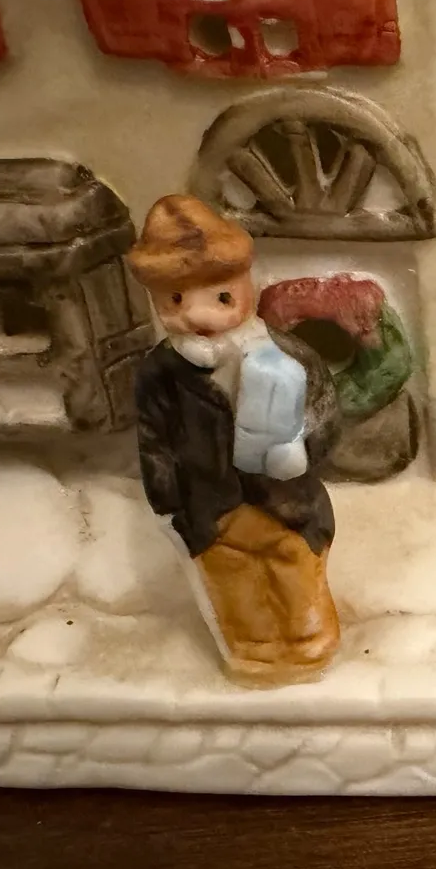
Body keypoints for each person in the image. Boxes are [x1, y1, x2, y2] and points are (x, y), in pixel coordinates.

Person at [127, 195, 342, 686]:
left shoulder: (290, 359)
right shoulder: (160, 373)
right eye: (175, 301)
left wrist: (300, 448)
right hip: (211, 506)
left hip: (284, 503)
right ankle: (255, 649)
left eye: (221, 298)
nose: (198, 316)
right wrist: (167, 501)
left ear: (249, 285)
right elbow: (153, 439)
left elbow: (327, 411)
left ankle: (308, 642)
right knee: (231, 576)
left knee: (292, 566)